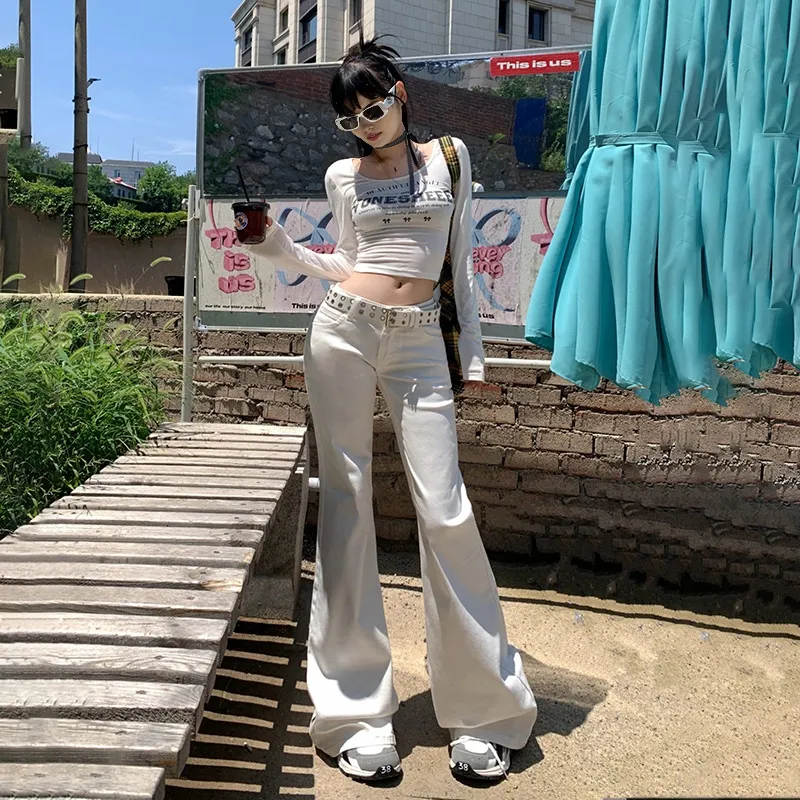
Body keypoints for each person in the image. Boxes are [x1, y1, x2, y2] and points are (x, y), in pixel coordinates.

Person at [245, 36, 537, 784]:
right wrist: (276, 246)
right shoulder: (342, 175)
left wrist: (472, 360)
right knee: (346, 504)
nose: (364, 126)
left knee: (445, 510)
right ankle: (356, 712)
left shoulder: (450, 158)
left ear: (399, 94)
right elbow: (345, 262)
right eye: (349, 119)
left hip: (420, 343)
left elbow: (458, 264)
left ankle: (484, 709)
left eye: (371, 109)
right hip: (343, 329)